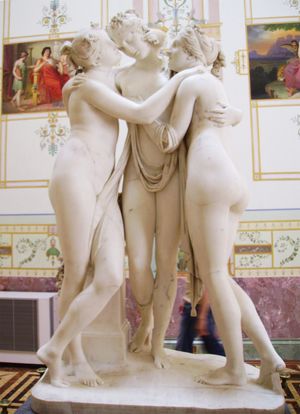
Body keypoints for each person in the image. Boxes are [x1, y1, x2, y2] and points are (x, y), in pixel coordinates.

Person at [36, 27, 203, 388]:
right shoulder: (87, 86)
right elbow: (143, 114)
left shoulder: (107, 80)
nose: (120, 48)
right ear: (96, 57)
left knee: (111, 275)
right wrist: (183, 77)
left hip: (105, 183)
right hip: (76, 175)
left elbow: (144, 67)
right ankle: (70, 359)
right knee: (77, 272)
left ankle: (54, 347)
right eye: (114, 45)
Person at [154, 26, 285, 389]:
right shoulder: (215, 84)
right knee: (222, 276)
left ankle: (234, 368)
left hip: (208, 176)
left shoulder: (190, 82)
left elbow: (170, 139)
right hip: (231, 180)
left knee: (213, 274)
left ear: (191, 54)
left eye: (174, 51)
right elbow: (233, 114)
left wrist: (141, 117)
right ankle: (270, 356)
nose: (170, 58)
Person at [107, 12, 239, 369]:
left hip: (174, 174)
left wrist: (236, 114)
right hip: (136, 171)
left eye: (128, 39)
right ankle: (145, 319)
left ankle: (156, 344)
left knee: (166, 264)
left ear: (142, 33)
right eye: (117, 44)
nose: (123, 48)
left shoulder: (176, 71)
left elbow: (216, 101)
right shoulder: (120, 77)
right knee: (137, 264)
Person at [176, 286, 225, 356]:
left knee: (183, 348)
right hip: (194, 307)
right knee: (209, 343)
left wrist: (202, 317)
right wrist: (185, 302)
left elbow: (208, 287)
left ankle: (230, 360)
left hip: (197, 308)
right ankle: (229, 360)